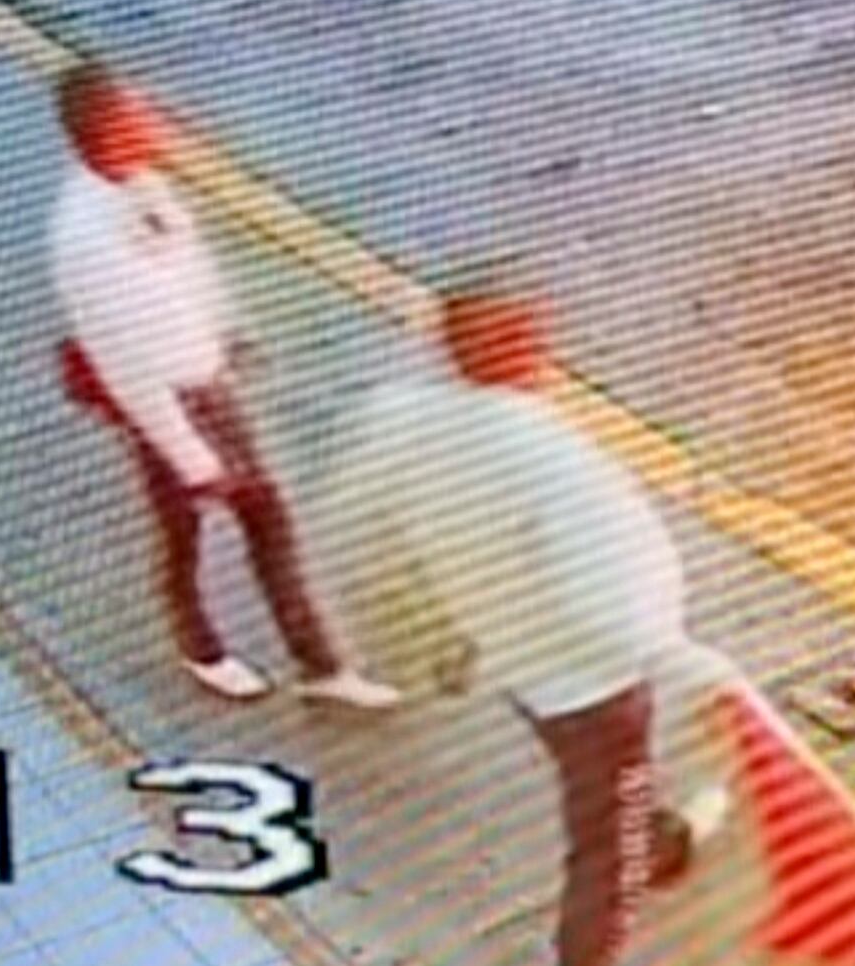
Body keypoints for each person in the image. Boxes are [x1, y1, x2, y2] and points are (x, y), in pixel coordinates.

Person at [322, 281, 735, 966]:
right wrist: (699, 671)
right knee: (603, 831)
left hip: (510, 650)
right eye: (531, 332)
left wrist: (425, 641)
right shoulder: (547, 457)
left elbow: (361, 538)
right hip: (587, 678)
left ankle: (650, 839)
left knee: (605, 785)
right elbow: (603, 603)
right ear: (524, 346)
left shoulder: (402, 424)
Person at [47, 63, 397, 710]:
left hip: (206, 379)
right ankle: (200, 647)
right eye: (140, 115)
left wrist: (227, 334)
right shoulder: (83, 236)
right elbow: (122, 362)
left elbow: (192, 266)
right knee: (182, 525)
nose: (160, 121)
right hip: (162, 403)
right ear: (106, 133)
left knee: (266, 515)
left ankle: (320, 665)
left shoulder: (145, 184)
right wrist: (189, 455)